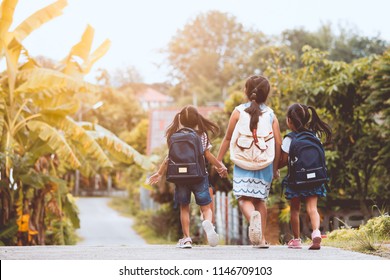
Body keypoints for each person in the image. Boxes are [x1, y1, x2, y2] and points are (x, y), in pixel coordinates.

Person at [148, 105, 227, 249]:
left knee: (184, 207)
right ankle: (208, 224)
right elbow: (208, 155)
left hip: (181, 178)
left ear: (181, 120)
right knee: (206, 208)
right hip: (199, 176)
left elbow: (168, 158)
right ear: (197, 119)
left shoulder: (174, 136)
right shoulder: (201, 135)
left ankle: (187, 239)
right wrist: (220, 167)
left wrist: (159, 173)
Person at [216, 75, 281, 248]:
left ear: (246, 91)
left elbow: (228, 138)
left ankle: (254, 221)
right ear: (266, 94)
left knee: (244, 199)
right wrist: (275, 169)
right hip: (265, 163)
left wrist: (218, 162)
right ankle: (261, 240)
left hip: (242, 162)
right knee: (260, 200)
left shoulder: (238, 112)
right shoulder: (271, 115)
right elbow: (278, 143)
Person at [278, 103, 332, 250]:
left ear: (289, 120)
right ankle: (316, 232)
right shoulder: (314, 136)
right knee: (312, 208)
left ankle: (296, 240)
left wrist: (274, 167)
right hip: (314, 178)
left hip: (296, 180)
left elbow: (283, 161)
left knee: (295, 210)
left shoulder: (289, 139)